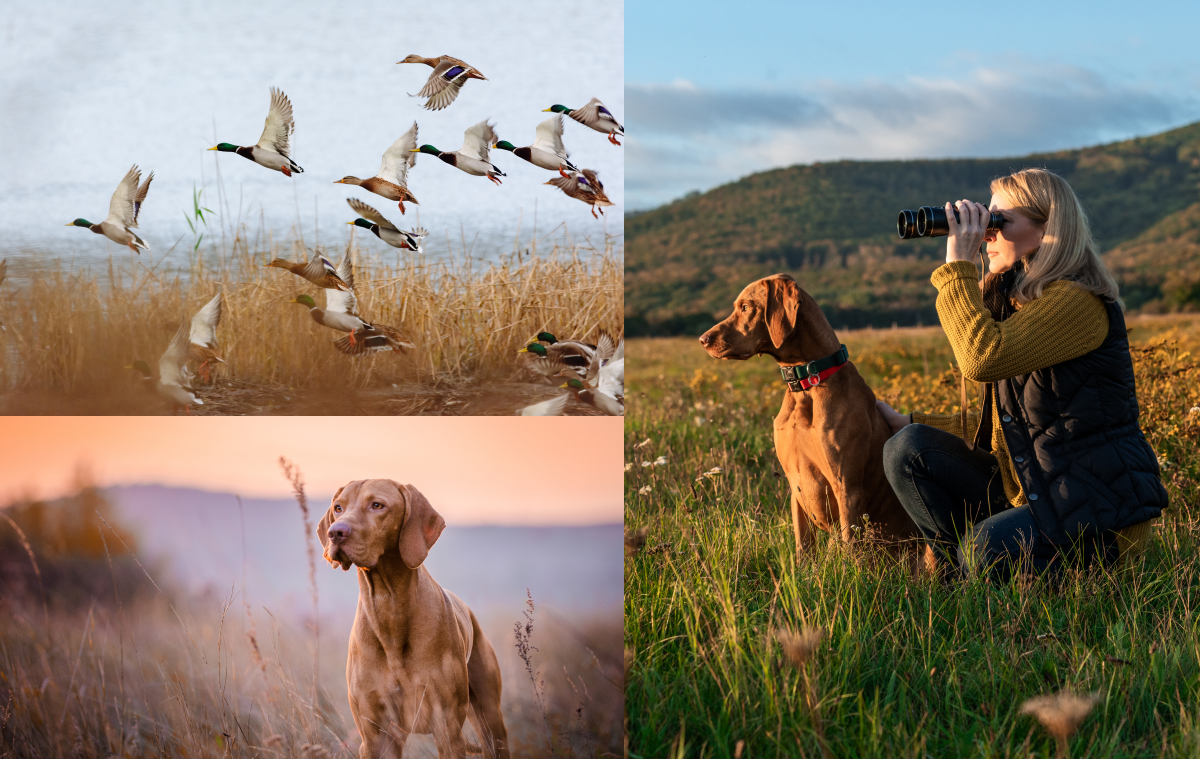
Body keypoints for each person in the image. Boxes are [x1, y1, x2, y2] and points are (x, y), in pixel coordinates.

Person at [876, 168, 1167, 579]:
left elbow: (982, 358)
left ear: (1049, 228)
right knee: (908, 447)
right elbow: (1011, 427)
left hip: (1096, 513)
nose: (986, 234)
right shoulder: (1014, 301)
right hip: (1040, 494)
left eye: (999, 223)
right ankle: (954, 580)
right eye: (986, 222)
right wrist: (909, 422)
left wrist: (958, 264)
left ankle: (985, 573)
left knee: (983, 548)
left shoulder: (1075, 301)